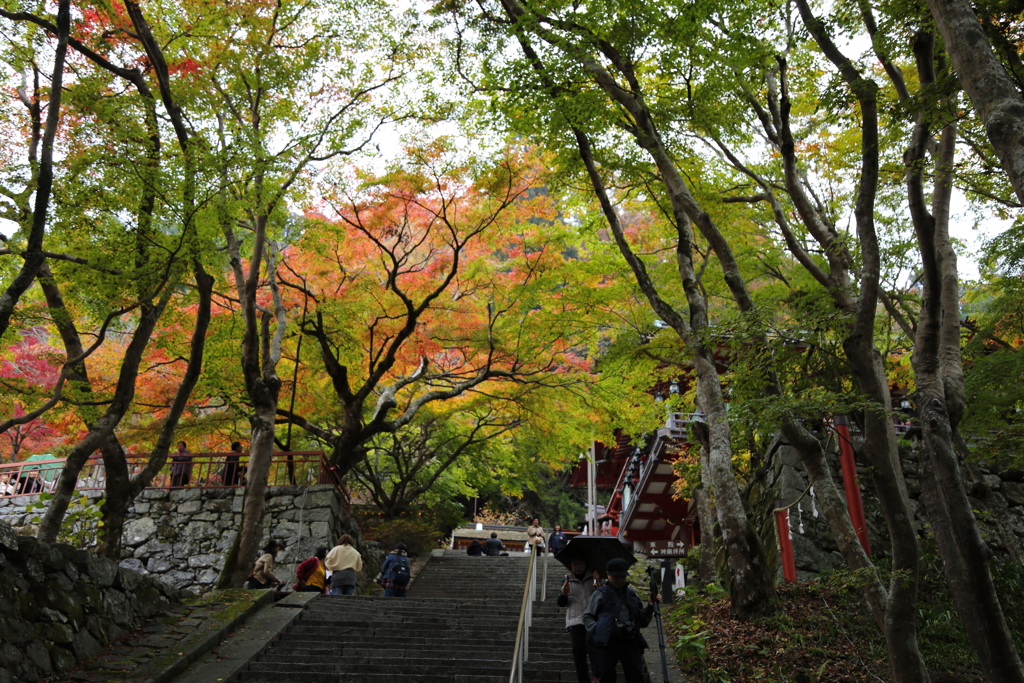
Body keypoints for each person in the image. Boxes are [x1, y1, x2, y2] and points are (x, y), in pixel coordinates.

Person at [583, 558, 657, 683]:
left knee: (635, 676)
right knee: (606, 676)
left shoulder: (632, 594)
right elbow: (588, 616)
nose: (619, 580)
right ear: (608, 574)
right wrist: (598, 629)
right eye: (616, 577)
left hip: (630, 640)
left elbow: (642, 621)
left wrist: (650, 606)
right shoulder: (600, 593)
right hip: (607, 641)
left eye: (622, 577)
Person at [558, 558, 601, 683]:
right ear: (570, 565)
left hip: (592, 619)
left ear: (586, 563)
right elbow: (561, 603)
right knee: (578, 650)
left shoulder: (594, 576)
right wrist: (564, 594)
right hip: (575, 621)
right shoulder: (566, 579)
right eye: (574, 563)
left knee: (593, 648)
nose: (578, 567)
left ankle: (597, 677)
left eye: (580, 563)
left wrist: (598, 585)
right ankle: (583, 680)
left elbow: (603, 599)